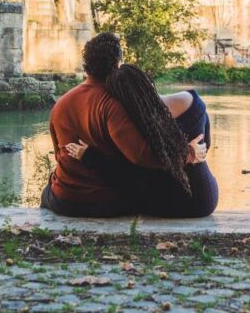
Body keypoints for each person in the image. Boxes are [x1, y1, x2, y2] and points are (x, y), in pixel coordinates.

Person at [41, 33, 206, 218]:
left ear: (86, 67)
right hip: (104, 202)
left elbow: (58, 154)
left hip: (63, 199)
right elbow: (141, 156)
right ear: (118, 64)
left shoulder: (61, 104)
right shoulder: (113, 104)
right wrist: (188, 154)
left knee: (48, 189)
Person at [65, 64, 219, 218]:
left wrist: (88, 155)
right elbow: (206, 145)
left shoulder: (135, 126)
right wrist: (188, 153)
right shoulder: (190, 99)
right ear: (147, 82)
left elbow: (121, 176)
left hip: (172, 202)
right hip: (207, 195)